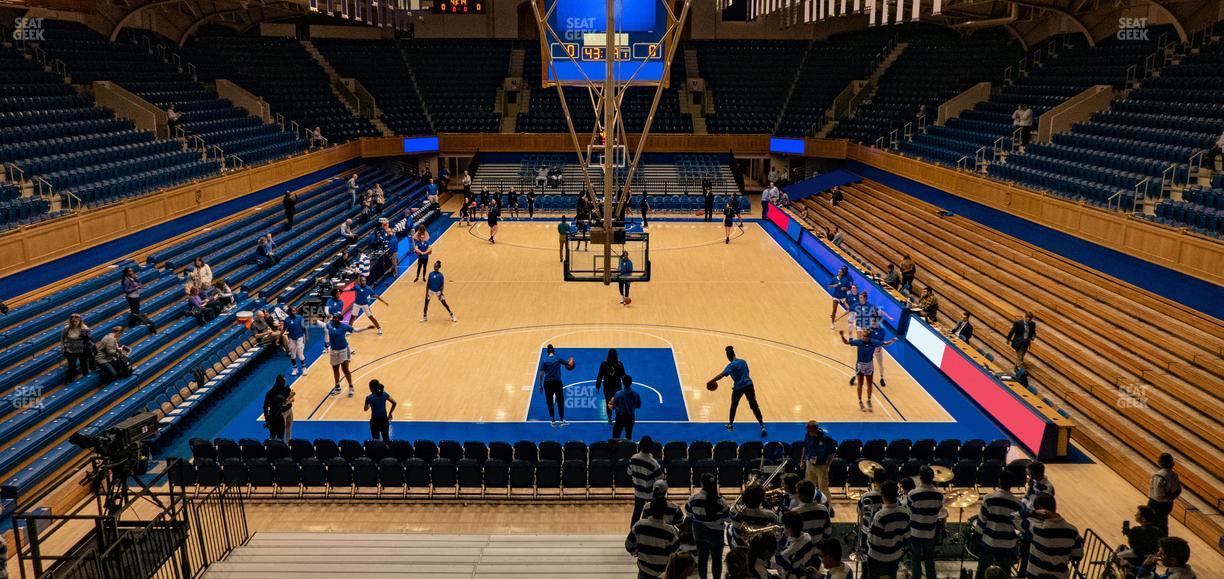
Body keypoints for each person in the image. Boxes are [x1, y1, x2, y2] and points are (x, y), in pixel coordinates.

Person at [707, 345, 766, 437]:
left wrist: (711, 381)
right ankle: (762, 426)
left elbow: (722, 375)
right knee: (754, 405)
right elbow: (747, 372)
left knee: (734, 405)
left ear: (728, 356)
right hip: (749, 385)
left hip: (739, 387)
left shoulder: (731, 365)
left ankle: (730, 424)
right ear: (734, 354)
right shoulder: (743, 361)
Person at [974, 471, 1023, 579]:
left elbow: (982, 521)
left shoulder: (988, 498)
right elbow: (1020, 526)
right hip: (1008, 544)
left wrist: (979, 535)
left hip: (989, 541)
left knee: (982, 570)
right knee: (1005, 572)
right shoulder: (1018, 503)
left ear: (999, 482)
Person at [1023, 493, 1083, 579]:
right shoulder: (1072, 531)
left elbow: (1013, 516)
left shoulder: (1035, 528)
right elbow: (1078, 555)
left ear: (1040, 509)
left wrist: (1032, 512)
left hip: (1036, 575)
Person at [685, 473, 730, 579]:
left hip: (699, 532)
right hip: (716, 534)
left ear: (701, 484)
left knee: (702, 558)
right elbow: (728, 519)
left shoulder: (693, 499)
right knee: (716, 559)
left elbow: (688, 514)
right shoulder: (720, 501)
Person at [840, 329, 896, 412]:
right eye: (862, 335)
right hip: (860, 365)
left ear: (868, 337)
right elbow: (846, 342)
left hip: (869, 364)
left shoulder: (874, 342)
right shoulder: (859, 341)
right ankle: (860, 401)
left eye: (864, 336)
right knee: (860, 384)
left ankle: (869, 400)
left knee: (870, 384)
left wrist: (892, 341)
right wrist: (842, 336)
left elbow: (886, 343)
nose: (862, 337)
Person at [626, 497, 681, 579]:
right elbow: (676, 552)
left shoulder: (639, 525)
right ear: (665, 511)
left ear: (650, 509)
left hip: (644, 570)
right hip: (663, 572)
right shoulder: (670, 531)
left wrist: (636, 552)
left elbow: (629, 545)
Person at [866, 480, 910, 579]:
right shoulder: (905, 513)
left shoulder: (880, 516)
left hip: (878, 558)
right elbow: (907, 536)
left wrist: (869, 533)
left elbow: (874, 541)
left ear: (883, 496)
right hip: (895, 556)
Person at [906, 467, 944, 579]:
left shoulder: (912, 494)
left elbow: (908, 513)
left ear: (920, 478)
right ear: (933, 478)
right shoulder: (939, 495)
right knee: (930, 560)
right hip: (930, 532)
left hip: (915, 532)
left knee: (915, 559)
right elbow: (939, 511)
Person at [726, 484, 780, 550]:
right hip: (759, 549)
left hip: (739, 548)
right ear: (762, 499)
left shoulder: (733, 511)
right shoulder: (771, 516)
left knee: (729, 527)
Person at [324, 314, 362, 397]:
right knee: (335, 369)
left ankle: (351, 386)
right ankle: (337, 387)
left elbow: (356, 330)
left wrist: (367, 328)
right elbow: (323, 326)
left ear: (339, 319)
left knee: (345, 369)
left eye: (336, 318)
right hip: (333, 350)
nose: (334, 319)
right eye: (334, 318)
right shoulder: (329, 324)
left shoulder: (344, 326)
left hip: (343, 350)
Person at [536, 344, 575, 426]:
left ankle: (553, 420)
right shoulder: (558, 359)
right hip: (557, 383)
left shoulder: (544, 361)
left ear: (547, 352)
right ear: (554, 351)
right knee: (560, 401)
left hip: (548, 383)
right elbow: (570, 364)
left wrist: (540, 385)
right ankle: (562, 420)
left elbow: (541, 374)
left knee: (549, 402)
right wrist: (571, 358)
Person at [629, 437, 664, 524]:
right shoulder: (653, 463)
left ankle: (633, 531)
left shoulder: (633, 458)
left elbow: (629, 472)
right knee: (648, 515)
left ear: (640, 446)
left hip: (638, 492)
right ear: (651, 448)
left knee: (636, 514)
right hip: (650, 494)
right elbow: (660, 478)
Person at [775, 510, 818, 579]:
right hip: (803, 570)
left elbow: (780, 565)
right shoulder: (807, 536)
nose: (783, 527)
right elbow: (789, 544)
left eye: (785, 525)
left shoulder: (785, 554)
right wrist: (779, 538)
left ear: (790, 529)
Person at [1148, 453, 1181, 533]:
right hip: (1168, 504)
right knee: (1163, 524)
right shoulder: (1175, 475)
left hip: (1156, 505)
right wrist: (1171, 497)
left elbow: (1159, 496)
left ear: (1160, 462)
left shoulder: (1159, 476)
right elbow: (1178, 490)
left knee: (1153, 526)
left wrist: (1166, 497)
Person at [801, 421, 835, 496]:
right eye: (808, 430)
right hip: (810, 464)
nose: (808, 432)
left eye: (810, 431)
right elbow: (805, 448)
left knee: (823, 487)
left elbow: (832, 453)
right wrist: (802, 461)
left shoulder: (826, 438)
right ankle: (810, 501)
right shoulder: (807, 435)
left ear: (815, 430)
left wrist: (827, 465)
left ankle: (827, 503)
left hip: (822, 465)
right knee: (809, 486)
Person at [120, 267, 157, 334]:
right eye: (130, 271)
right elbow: (126, 290)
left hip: (136, 296)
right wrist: (136, 288)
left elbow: (140, 283)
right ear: (127, 272)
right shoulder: (126, 280)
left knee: (136, 311)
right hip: (131, 297)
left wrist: (135, 278)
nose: (132, 272)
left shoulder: (132, 277)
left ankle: (134, 322)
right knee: (134, 311)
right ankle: (132, 324)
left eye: (132, 270)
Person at [595, 349, 626, 422]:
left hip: (607, 387)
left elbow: (599, 376)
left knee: (608, 402)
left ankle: (609, 418)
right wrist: (626, 386)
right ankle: (618, 417)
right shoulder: (620, 364)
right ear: (616, 355)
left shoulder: (603, 364)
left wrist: (598, 386)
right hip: (617, 387)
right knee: (618, 402)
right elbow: (623, 376)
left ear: (608, 355)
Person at [61, 314, 93, 383]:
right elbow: (63, 337)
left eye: (76, 321)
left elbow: (89, 339)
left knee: (84, 365)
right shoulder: (67, 328)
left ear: (80, 321)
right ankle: (71, 380)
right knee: (72, 366)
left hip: (82, 350)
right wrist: (62, 347)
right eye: (73, 321)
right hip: (70, 350)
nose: (74, 323)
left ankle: (86, 379)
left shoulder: (84, 328)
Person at [610, 375, 642, 440]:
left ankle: (614, 446)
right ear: (631, 382)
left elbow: (613, 407)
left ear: (623, 383)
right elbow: (638, 406)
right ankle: (628, 446)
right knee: (628, 436)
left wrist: (619, 407)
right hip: (630, 417)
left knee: (615, 436)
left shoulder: (618, 394)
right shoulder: (636, 394)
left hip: (620, 417)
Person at [283, 305, 307, 376]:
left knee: (300, 354)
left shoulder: (300, 318)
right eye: (293, 311)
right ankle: (295, 369)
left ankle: (304, 368)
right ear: (290, 312)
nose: (294, 312)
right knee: (292, 354)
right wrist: (279, 337)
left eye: (295, 311)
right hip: (291, 338)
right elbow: (284, 329)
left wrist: (307, 336)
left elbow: (305, 328)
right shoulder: (287, 320)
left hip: (300, 337)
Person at [263, 375, 289, 441]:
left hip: (271, 418)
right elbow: (285, 399)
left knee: (272, 437)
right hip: (279, 418)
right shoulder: (282, 393)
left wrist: (267, 419)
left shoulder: (269, 393)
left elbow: (265, 407)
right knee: (280, 438)